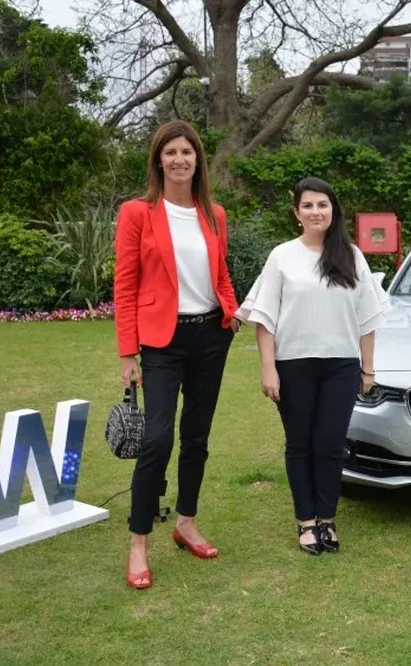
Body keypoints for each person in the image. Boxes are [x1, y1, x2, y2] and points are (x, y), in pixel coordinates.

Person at [113, 120, 240, 590]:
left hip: (210, 335)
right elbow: (125, 284)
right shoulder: (137, 213)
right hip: (160, 341)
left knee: (198, 436)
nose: (179, 159)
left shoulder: (214, 214)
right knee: (156, 439)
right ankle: (139, 541)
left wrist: (231, 309)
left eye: (187, 152)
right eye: (171, 152)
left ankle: (186, 522)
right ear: (158, 160)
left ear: (197, 160)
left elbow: (219, 271)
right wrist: (128, 351)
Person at [236, 176, 388, 555]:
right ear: (297, 213)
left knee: (332, 444)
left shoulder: (351, 256)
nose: (316, 211)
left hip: (341, 366)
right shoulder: (282, 256)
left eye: (322, 204)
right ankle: (306, 521)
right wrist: (268, 368)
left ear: (333, 210)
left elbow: (368, 318)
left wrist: (367, 370)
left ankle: (327, 520)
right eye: (308, 205)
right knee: (300, 444)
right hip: (293, 366)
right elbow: (264, 317)